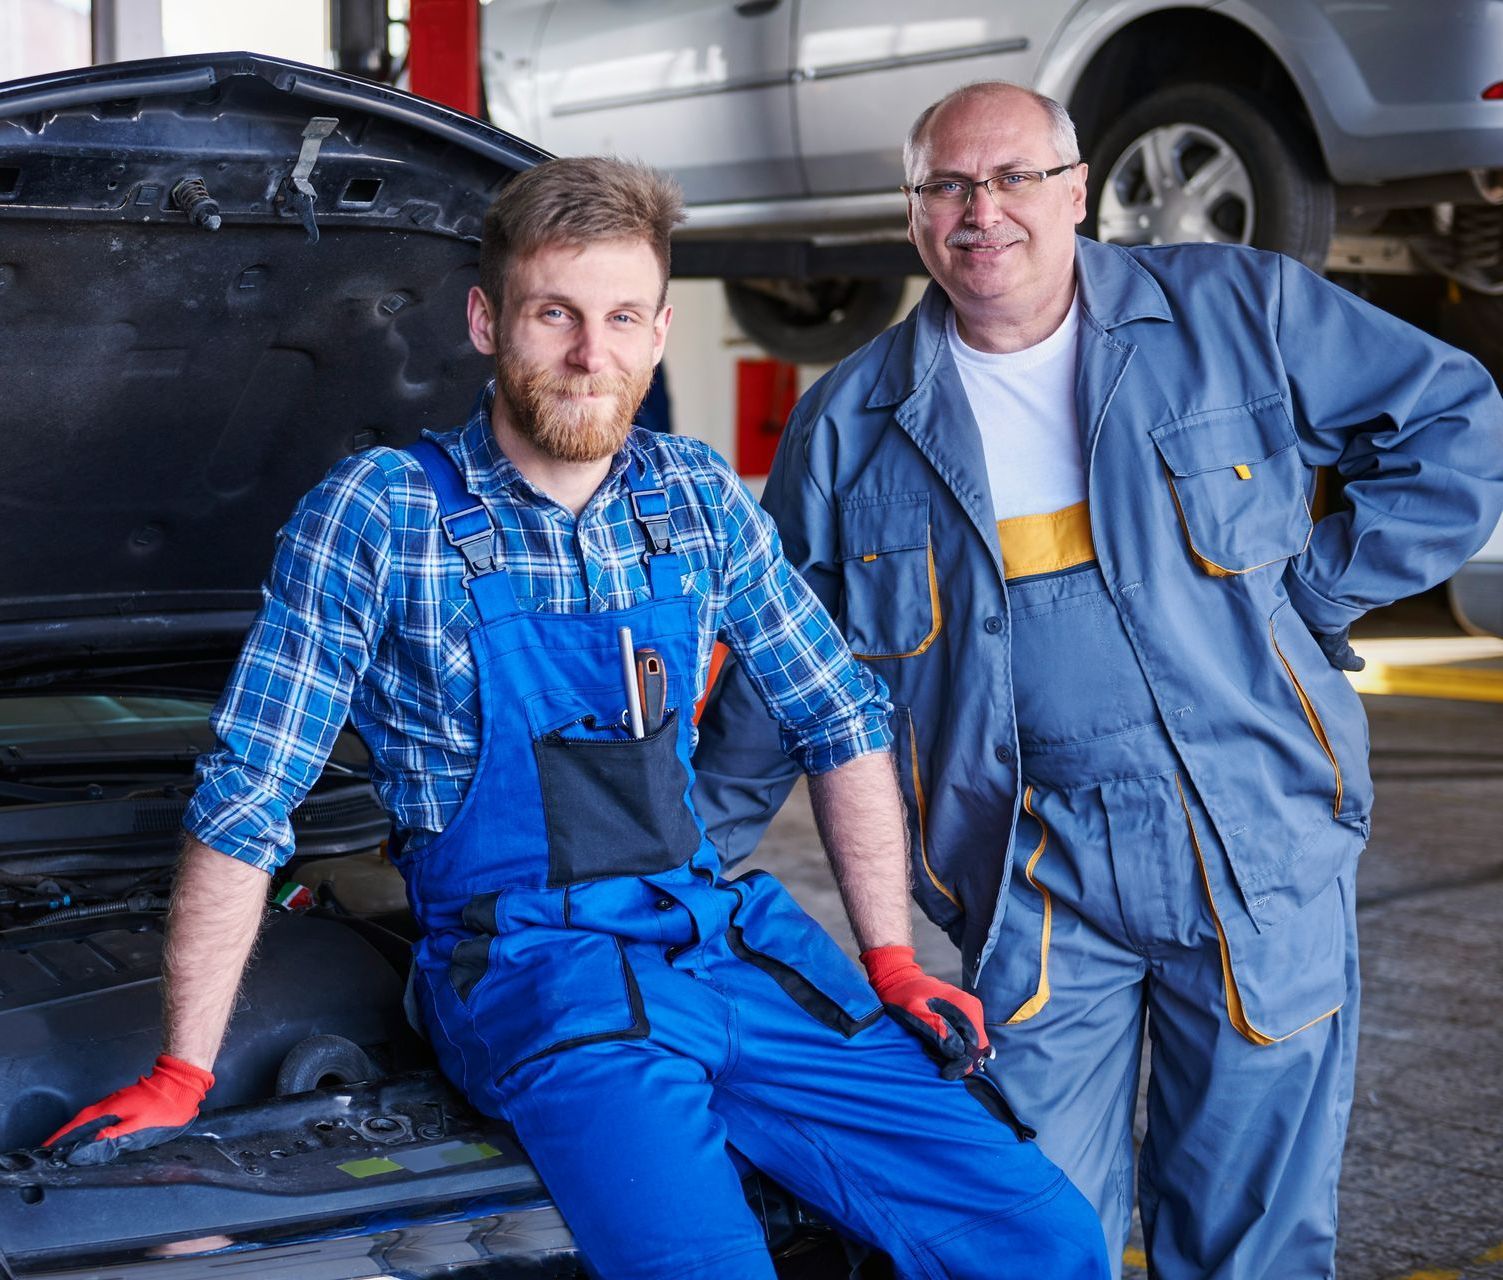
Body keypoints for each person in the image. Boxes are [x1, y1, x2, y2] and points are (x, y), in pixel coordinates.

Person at [43, 156, 1109, 1280]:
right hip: (535, 972)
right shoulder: (384, 513)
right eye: (554, 313)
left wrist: (891, 958)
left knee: (1044, 1236)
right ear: (486, 319)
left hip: (722, 942)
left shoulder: (695, 497)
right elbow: (251, 790)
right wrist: (184, 1069)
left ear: (657, 332)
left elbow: (841, 717)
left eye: (620, 317)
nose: (589, 354)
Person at [692, 83, 1503, 1279]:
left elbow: (1456, 422)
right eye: (949, 188)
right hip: (1030, 872)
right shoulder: (852, 422)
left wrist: (1315, 597)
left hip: (1253, 841)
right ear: (912, 218)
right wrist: (664, 854)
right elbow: (784, 671)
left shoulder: (1237, 311)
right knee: (1024, 1228)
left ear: (1078, 190)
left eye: (1016, 177)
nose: (985, 213)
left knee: (1252, 1243)